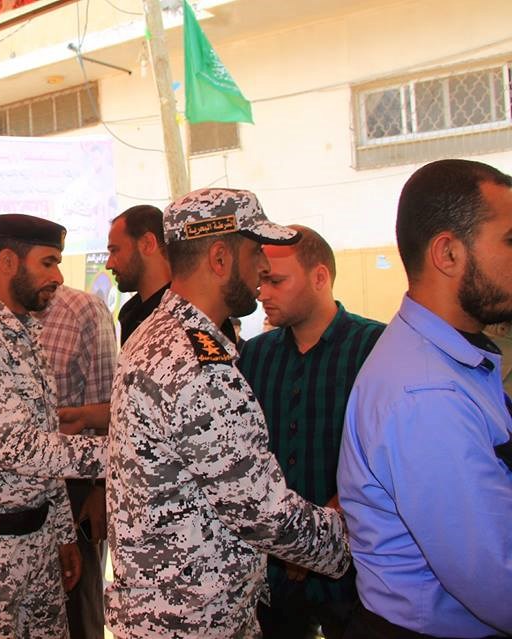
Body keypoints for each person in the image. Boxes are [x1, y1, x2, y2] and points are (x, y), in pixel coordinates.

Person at [106, 188, 350, 638]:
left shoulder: (159, 333)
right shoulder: (195, 361)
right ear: (220, 259)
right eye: (256, 251)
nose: (263, 266)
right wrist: (353, 534)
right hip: (193, 621)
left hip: (170, 611)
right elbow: (259, 510)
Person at [339, 159, 512, 638]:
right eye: (510, 240)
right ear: (448, 253)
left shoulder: (444, 359)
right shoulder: (427, 394)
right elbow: (497, 581)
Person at [0, 214, 107, 638]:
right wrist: (124, 451)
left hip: (36, 544)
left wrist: (62, 533)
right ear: (8, 262)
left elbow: (47, 444)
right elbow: (20, 447)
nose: (58, 277)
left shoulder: (24, 335)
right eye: (48, 263)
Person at [239, 226, 384, 638]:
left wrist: (320, 533)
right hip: (272, 572)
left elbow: (385, 459)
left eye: (276, 281)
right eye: (261, 280)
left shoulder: (375, 348)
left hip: (355, 571)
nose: (262, 293)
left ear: (320, 277)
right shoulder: (255, 356)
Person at [33, 284, 117, 639]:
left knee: (78, 609)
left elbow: (110, 405)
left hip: (75, 486)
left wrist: (100, 489)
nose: (55, 275)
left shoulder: (82, 310)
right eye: (46, 262)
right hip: (14, 496)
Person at [105, 205, 171, 345]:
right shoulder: (131, 313)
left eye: (114, 250)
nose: (108, 264)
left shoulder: (179, 312)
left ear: (147, 244)